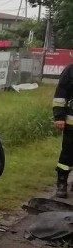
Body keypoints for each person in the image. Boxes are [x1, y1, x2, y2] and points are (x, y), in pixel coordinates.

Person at [53, 63, 73, 198]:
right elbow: (61, 94)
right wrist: (59, 117)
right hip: (72, 122)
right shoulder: (70, 70)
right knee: (68, 152)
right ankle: (62, 182)